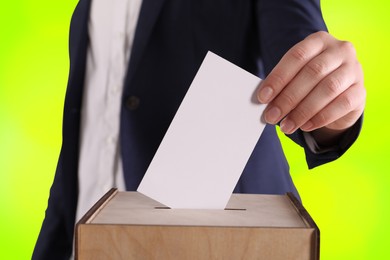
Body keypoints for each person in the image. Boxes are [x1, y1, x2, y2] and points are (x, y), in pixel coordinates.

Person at [33, 0, 366, 259]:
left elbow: (300, 55)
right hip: (86, 242)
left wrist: (331, 100)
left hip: (214, 243)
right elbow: (88, 132)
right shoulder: (85, 9)